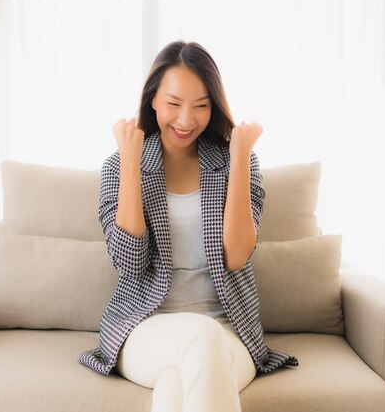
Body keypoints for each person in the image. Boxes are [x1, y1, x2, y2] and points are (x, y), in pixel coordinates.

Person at [79, 40, 297, 412]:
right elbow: (129, 263)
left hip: (229, 330)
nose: (185, 120)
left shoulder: (236, 161)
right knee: (200, 338)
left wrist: (240, 156)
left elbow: (236, 255)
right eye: (174, 104)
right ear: (152, 100)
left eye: (200, 106)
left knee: (174, 388)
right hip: (145, 327)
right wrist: (131, 160)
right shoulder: (119, 166)